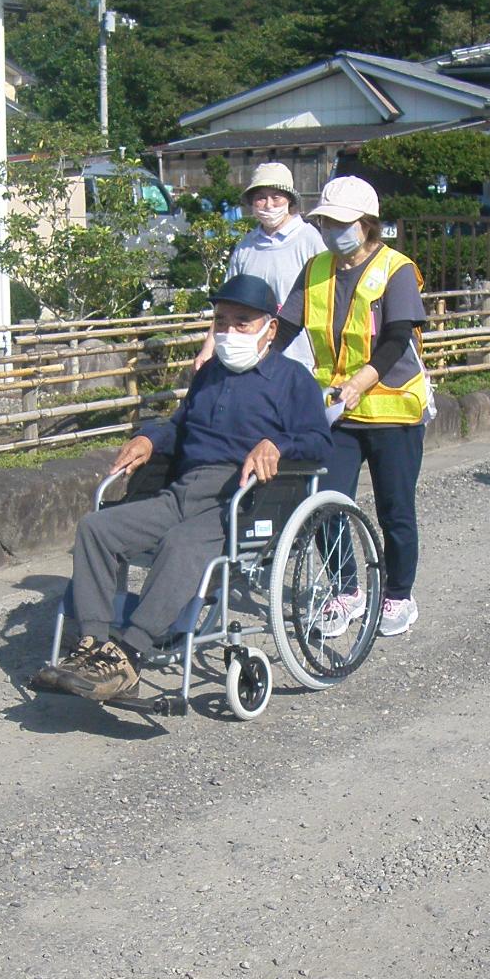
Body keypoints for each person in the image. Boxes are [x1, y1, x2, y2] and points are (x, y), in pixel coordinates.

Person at [36, 274, 330, 703]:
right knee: (97, 528)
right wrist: (151, 437)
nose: (229, 331)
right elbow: (181, 425)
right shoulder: (209, 372)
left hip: (244, 499)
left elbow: (319, 442)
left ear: (270, 327)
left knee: (181, 544)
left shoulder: (293, 380)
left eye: (242, 322)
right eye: (221, 321)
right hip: (185, 488)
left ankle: (130, 653)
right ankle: (94, 644)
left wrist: (277, 444)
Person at [273, 176, 431, 637]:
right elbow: (285, 328)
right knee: (325, 503)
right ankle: (346, 590)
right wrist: (252, 363)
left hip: (392, 408)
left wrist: (363, 381)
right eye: (325, 221)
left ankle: (399, 595)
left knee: (394, 509)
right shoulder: (317, 268)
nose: (332, 230)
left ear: (366, 224)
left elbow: (397, 337)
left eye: (342, 222)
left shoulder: (394, 268)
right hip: (337, 409)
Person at [194, 162, 327, 372]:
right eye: (261, 198)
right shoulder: (246, 246)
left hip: (299, 357)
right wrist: (208, 349)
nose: (268, 205)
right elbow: (225, 306)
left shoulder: (310, 241)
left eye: (276, 197)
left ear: (289, 200)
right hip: (248, 357)